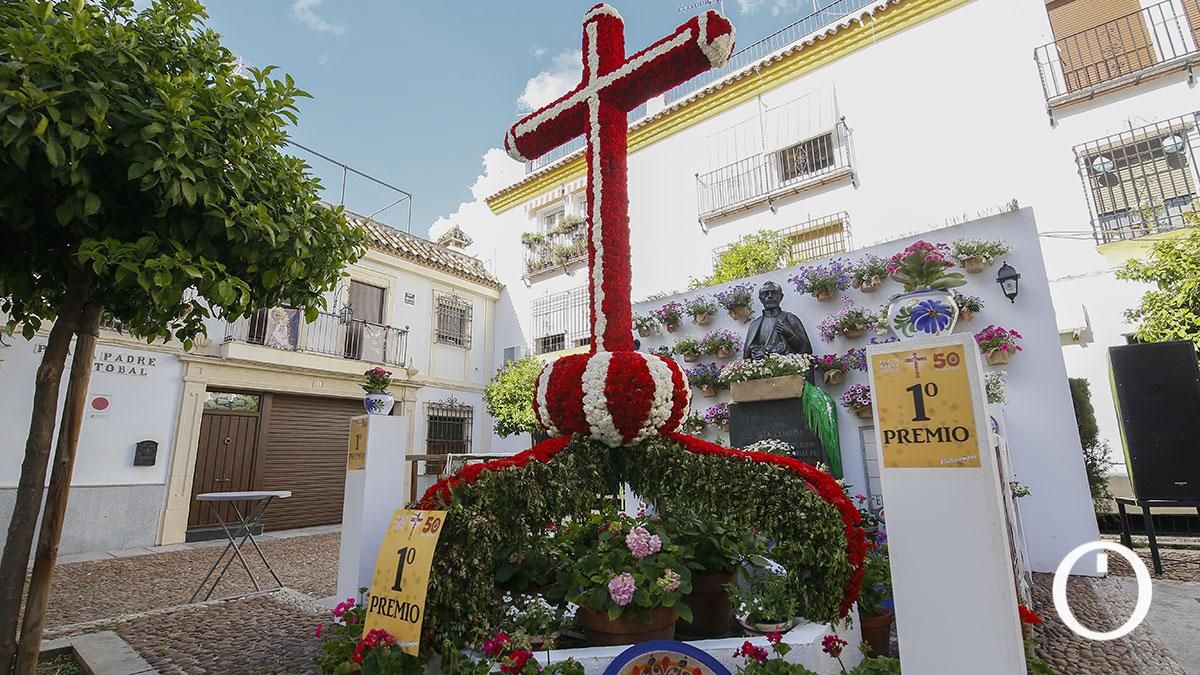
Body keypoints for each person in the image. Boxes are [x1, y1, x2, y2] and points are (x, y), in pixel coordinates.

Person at [742, 281, 813, 360]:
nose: (770, 296)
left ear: (781, 297)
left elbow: (806, 350)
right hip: (761, 369)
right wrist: (756, 353)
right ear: (761, 299)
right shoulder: (754, 325)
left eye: (774, 293)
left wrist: (791, 335)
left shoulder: (790, 318)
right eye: (765, 294)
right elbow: (747, 356)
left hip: (788, 368)